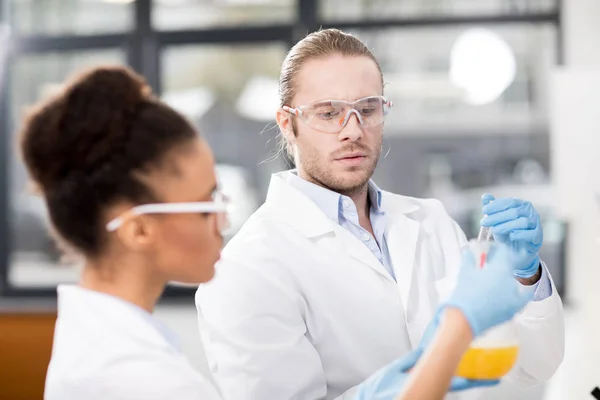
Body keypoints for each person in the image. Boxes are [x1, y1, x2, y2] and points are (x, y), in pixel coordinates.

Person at [19, 64, 519, 400]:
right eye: (205, 203)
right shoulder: (133, 378)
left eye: (366, 109)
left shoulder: (123, 342)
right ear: (138, 229)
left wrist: (392, 381)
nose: (223, 218)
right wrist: (456, 329)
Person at [195, 28, 565, 400]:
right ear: (287, 124)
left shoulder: (432, 222)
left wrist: (526, 277)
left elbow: (533, 367)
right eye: (328, 113)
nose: (353, 130)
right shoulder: (246, 266)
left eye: (367, 109)